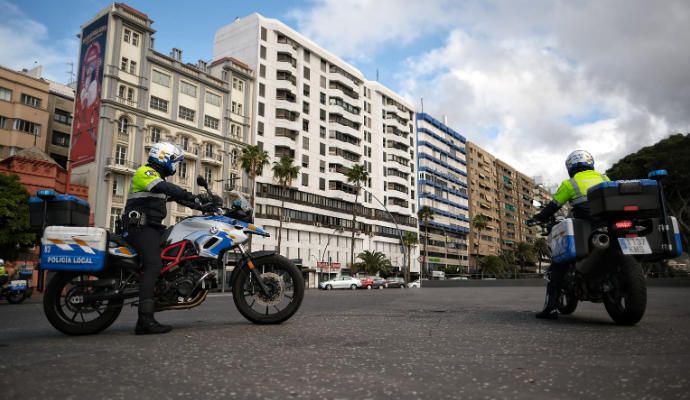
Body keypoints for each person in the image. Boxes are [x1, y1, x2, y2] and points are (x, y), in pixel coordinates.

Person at [123, 142, 213, 334]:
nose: (175, 165)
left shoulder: (157, 181)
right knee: (153, 264)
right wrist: (191, 195)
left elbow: (180, 198)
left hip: (153, 228)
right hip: (140, 228)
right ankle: (144, 320)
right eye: (174, 160)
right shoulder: (145, 173)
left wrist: (205, 206)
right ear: (163, 157)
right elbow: (169, 188)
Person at [527, 150, 610, 320]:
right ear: (590, 163)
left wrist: (537, 218)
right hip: (609, 224)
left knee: (558, 263)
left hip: (587, 225)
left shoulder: (570, 184)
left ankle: (551, 308)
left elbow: (553, 206)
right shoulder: (604, 178)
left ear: (570, 167)